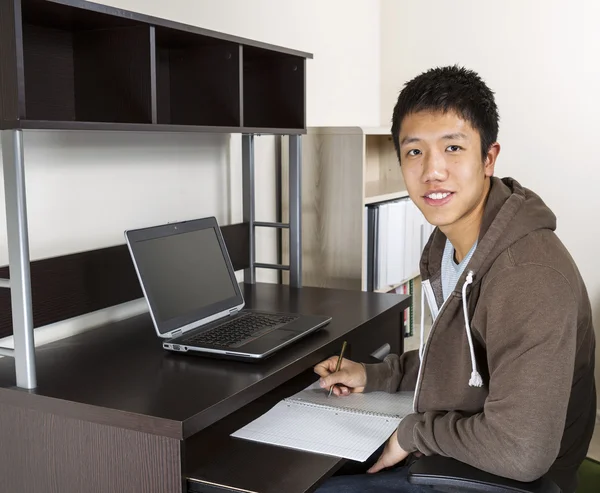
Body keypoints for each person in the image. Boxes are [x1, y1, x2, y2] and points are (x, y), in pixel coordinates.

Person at [313, 65, 597, 493]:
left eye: (453, 148)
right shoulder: (448, 247)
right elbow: (464, 367)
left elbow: (522, 452)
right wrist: (377, 376)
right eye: (414, 152)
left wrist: (412, 434)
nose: (433, 171)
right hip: (461, 449)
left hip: (504, 480)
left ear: (488, 158)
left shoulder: (528, 276)